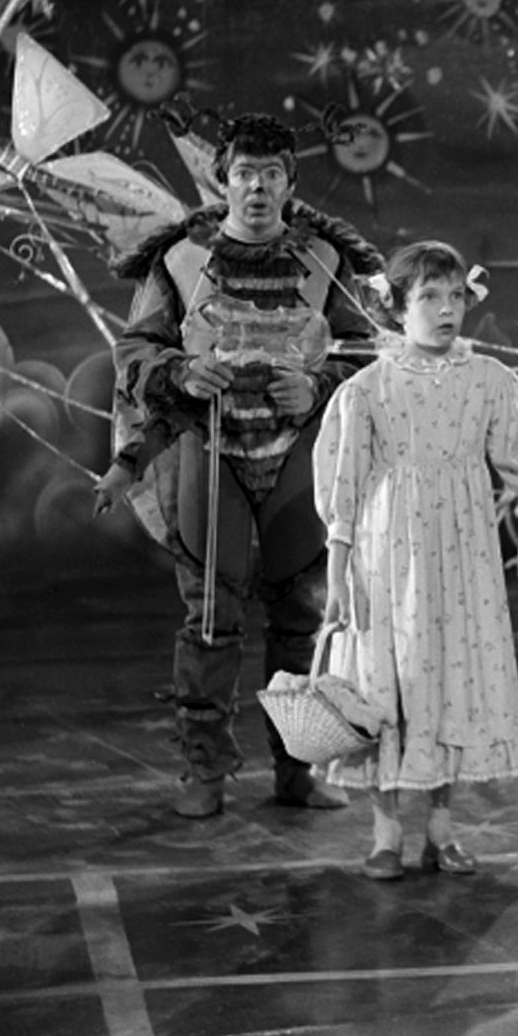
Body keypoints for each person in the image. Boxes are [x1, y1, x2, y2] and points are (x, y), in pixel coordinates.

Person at [104, 112, 385, 819]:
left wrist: (317, 386)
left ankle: (297, 768)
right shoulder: (181, 261)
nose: (257, 188)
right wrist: (181, 372)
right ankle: (205, 770)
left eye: (271, 174)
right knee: (210, 616)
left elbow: (364, 353)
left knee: (301, 616)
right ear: (221, 180)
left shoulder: (325, 260)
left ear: (290, 183)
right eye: (243, 174)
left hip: (296, 455)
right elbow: (136, 350)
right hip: (212, 449)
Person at [312, 240, 518, 880]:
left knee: (451, 680)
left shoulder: (489, 381)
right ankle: (386, 830)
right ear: (397, 307)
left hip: (463, 560)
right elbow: (343, 488)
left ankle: (442, 829)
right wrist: (337, 575)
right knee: (387, 684)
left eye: (455, 296)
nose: (447, 309)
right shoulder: (367, 390)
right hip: (387, 559)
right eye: (429, 297)